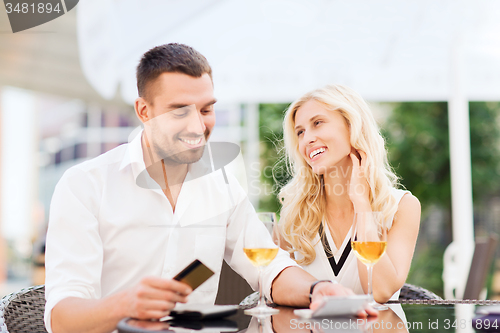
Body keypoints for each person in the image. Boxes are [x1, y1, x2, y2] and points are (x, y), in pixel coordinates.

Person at [44, 44, 365, 333]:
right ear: (144, 111)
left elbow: (269, 267)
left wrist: (317, 289)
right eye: (179, 110)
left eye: (206, 109)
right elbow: (62, 319)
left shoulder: (221, 184)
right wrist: (125, 304)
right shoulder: (85, 185)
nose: (198, 126)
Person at [279, 84, 421, 303]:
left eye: (317, 123)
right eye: (300, 132)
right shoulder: (295, 213)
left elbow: (379, 292)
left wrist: (361, 204)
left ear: (352, 126)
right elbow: (278, 289)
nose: (307, 139)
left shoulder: (402, 206)